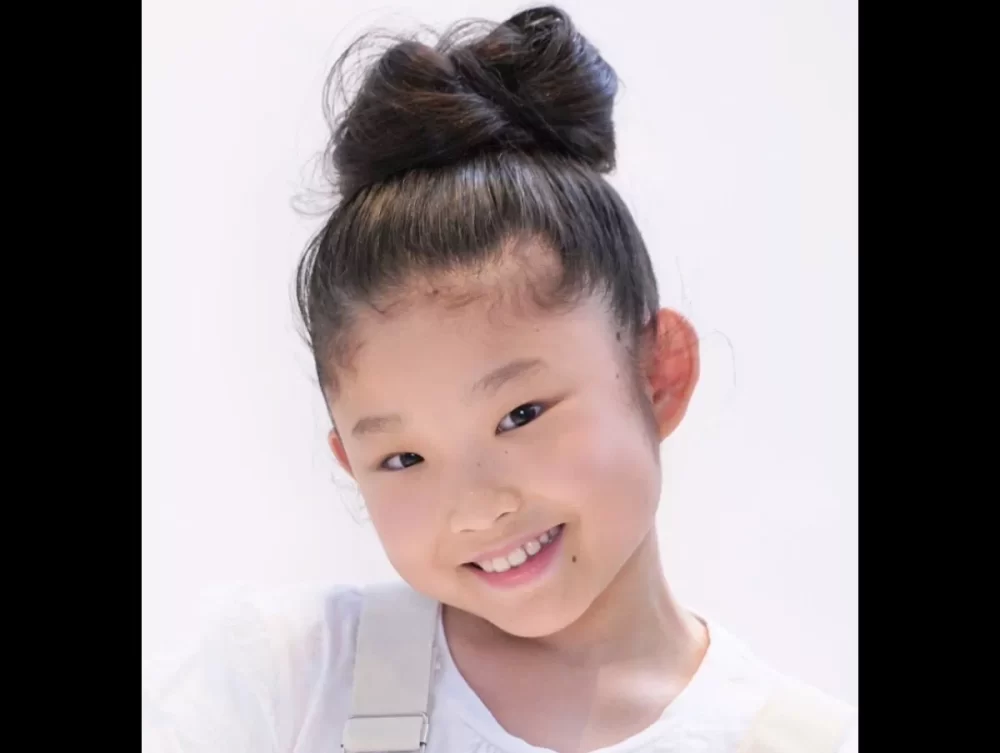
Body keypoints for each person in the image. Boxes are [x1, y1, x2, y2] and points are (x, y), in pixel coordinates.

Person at [142, 6, 857, 752]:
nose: (478, 508)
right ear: (349, 463)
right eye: (404, 458)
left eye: (520, 415)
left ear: (658, 374)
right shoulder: (286, 683)